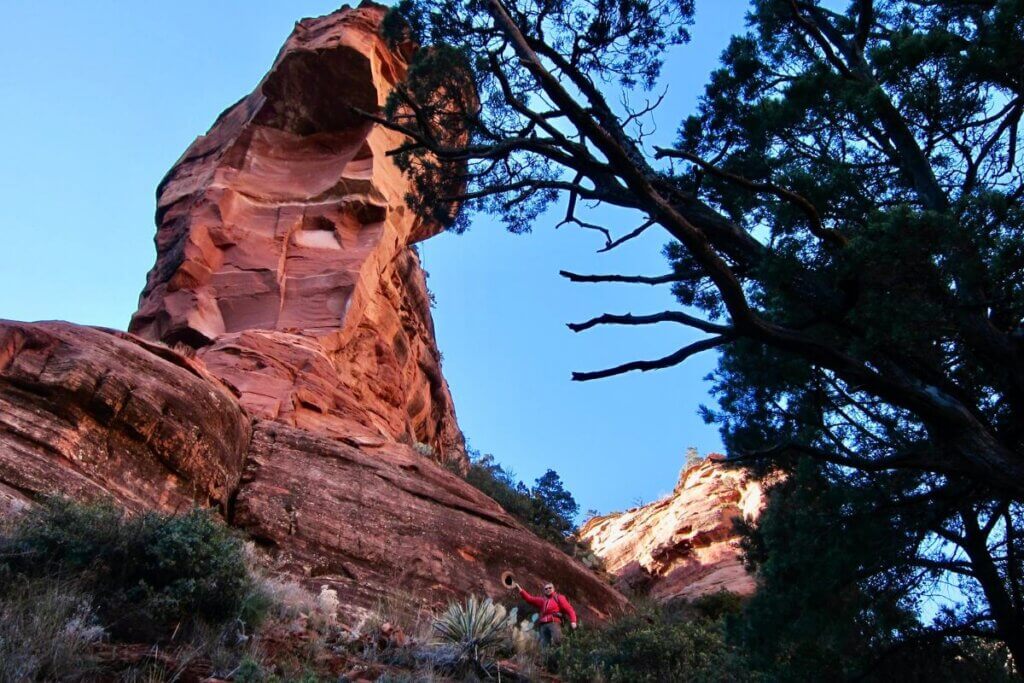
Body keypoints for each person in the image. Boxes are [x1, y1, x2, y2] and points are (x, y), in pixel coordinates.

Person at [511, 580, 577, 647]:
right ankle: (546, 657)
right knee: (544, 646)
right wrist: (519, 589)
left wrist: (573, 621)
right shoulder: (542, 600)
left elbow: (569, 609)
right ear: (544, 591)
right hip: (543, 625)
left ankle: (561, 656)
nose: (548, 589)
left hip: (554, 622)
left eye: (550, 588)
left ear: (553, 589)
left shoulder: (559, 598)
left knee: (558, 641)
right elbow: (530, 599)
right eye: (546, 589)